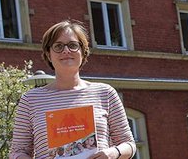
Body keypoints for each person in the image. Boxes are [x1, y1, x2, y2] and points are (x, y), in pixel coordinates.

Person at [9, 20, 136, 159]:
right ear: (48, 54)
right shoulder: (30, 100)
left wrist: (113, 153)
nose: (66, 51)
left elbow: (129, 144)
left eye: (73, 45)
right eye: (58, 46)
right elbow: (17, 152)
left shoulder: (105, 93)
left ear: (83, 51)